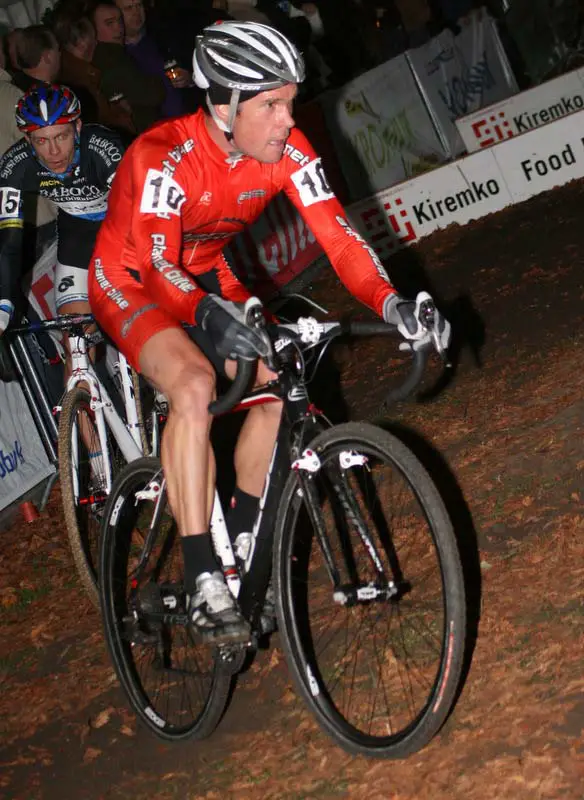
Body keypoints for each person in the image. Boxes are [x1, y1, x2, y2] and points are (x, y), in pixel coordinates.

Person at [88, 21, 451, 645]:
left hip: (206, 270)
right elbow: (155, 265)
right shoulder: (161, 158)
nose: (288, 119)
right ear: (225, 108)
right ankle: (203, 577)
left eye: (289, 101)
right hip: (132, 278)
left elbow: (339, 237)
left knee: (282, 381)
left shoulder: (289, 151)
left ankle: (242, 549)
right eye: (271, 105)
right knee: (196, 383)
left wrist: (392, 304)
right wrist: (206, 317)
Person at [0, 84, 124, 382]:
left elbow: (139, 218)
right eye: (41, 141)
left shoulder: (104, 147)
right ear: (27, 139)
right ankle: (82, 426)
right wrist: (2, 305)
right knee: (76, 342)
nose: (53, 151)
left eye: (62, 136)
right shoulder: (14, 166)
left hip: (123, 227)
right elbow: (9, 244)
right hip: (77, 233)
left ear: (77, 127)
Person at [90, 1, 166, 132]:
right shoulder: (111, 59)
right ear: (94, 30)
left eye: (119, 21)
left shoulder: (151, 39)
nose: (118, 28)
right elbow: (153, 93)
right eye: (109, 23)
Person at [54, 14, 136, 136]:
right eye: (93, 38)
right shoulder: (81, 78)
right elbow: (102, 121)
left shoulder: (70, 71)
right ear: (81, 42)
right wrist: (121, 111)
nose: (96, 42)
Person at [115, 0, 190, 118]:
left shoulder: (163, 37)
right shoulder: (117, 55)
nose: (136, 12)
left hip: (185, 120)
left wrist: (189, 78)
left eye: (139, 5)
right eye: (129, 8)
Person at [10, 25, 61, 93]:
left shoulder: (12, 87)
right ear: (47, 56)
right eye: (57, 49)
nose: (59, 54)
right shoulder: (47, 98)